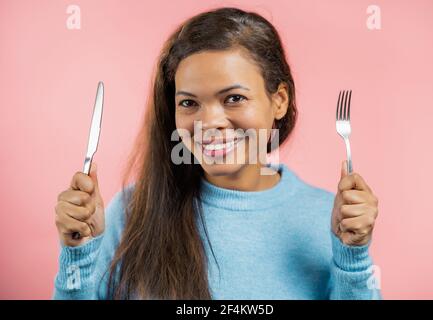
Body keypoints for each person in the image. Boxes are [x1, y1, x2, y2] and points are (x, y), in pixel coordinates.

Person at [53, 7, 381, 300]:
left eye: (234, 98)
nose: (209, 123)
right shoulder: (131, 211)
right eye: (189, 103)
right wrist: (79, 253)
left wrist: (352, 256)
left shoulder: (328, 218)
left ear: (278, 101)